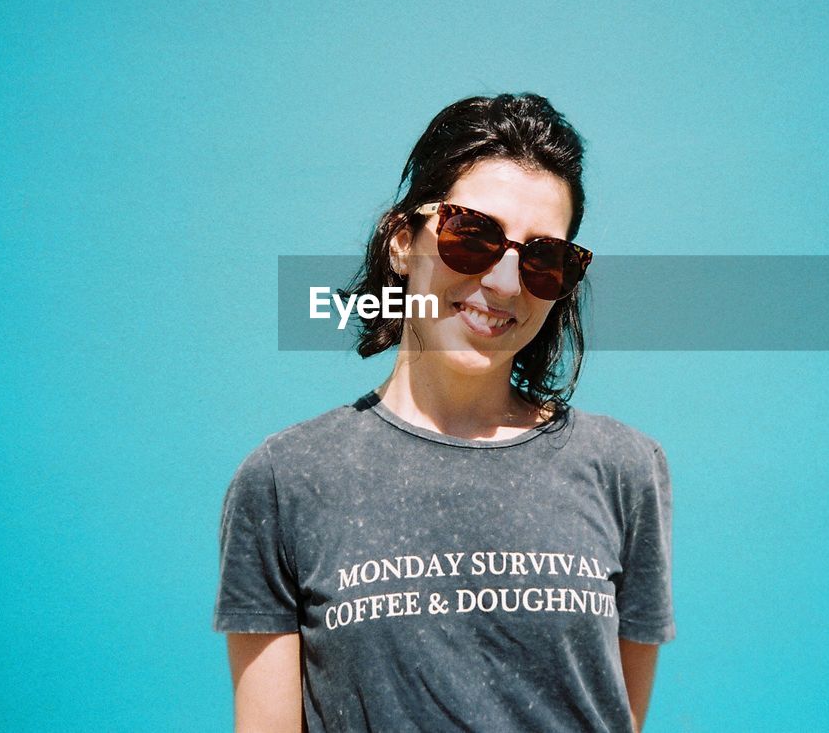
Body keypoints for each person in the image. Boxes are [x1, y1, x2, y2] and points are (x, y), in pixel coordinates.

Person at [214, 93, 674, 732]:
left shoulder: (624, 470)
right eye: (473, 236)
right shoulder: (285, 479)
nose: (506, 283)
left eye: (544, 258)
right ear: (403, 241)